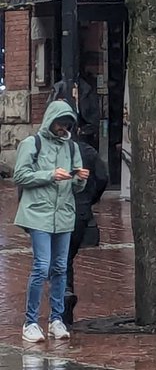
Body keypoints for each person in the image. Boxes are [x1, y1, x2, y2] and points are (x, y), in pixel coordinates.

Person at [14, 99, 88, 342]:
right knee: (41, 266)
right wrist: (49, 175)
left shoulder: (72, 148)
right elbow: (20, 175)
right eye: (60, 123)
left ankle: (57, 319)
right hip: (38, 213)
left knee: (60, 268)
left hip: (64, 214)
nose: (63, 128)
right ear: (51, 121)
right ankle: (31, 322)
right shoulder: (32, 143)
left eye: (67, 124)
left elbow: (76, 187)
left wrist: (79, 178)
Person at [63, 135, 108, 325]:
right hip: (81, 211)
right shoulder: (87, 150)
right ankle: (65, 297)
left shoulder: (47, 149)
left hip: (58, 211)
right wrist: (90, 199)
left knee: (58, 259)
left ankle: (64, 296)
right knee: (66, 257)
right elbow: (102, 177)